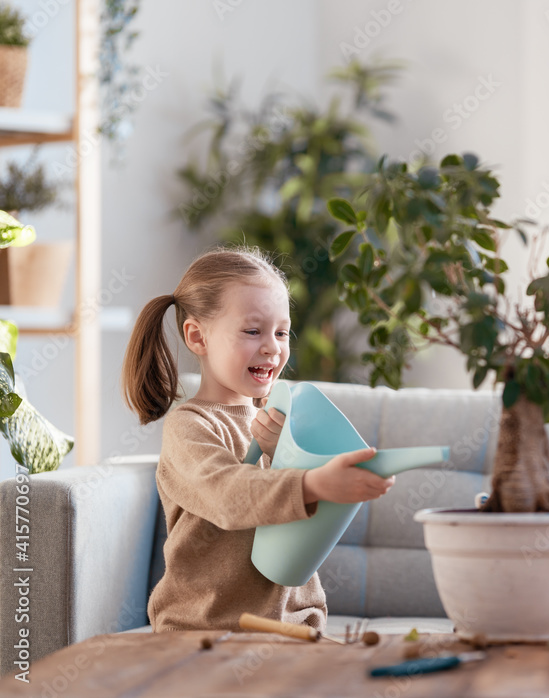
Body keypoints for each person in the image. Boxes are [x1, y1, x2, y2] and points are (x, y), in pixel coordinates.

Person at [121, 246, 394, 632]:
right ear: (197, 337)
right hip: (205, 630)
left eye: (281, 332)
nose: (272, 346)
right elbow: (228, 496)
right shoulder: (190, 426)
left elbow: (306, 528)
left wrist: (292, 456)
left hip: (295, 628)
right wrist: (311, 480)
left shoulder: (282, 418)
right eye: (253, 331)